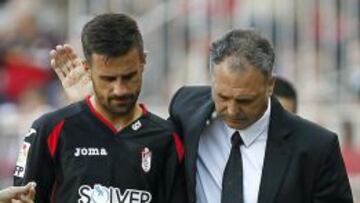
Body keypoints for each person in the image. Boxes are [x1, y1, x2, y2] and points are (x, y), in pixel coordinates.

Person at [51, 29, 353, 203]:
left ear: (270, 85)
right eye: (222, 97)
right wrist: (92, 105)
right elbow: (141, 145)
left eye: (245, 99)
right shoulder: (187, 107)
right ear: (211, 81)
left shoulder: (316, 147)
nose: (232, 110)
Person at [13, 13, 185, 203]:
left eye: (129, 77)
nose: (119, 90)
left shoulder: (167, 137)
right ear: (87, 68)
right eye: (108, 79)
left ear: (143, 62)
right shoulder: (50, 130)